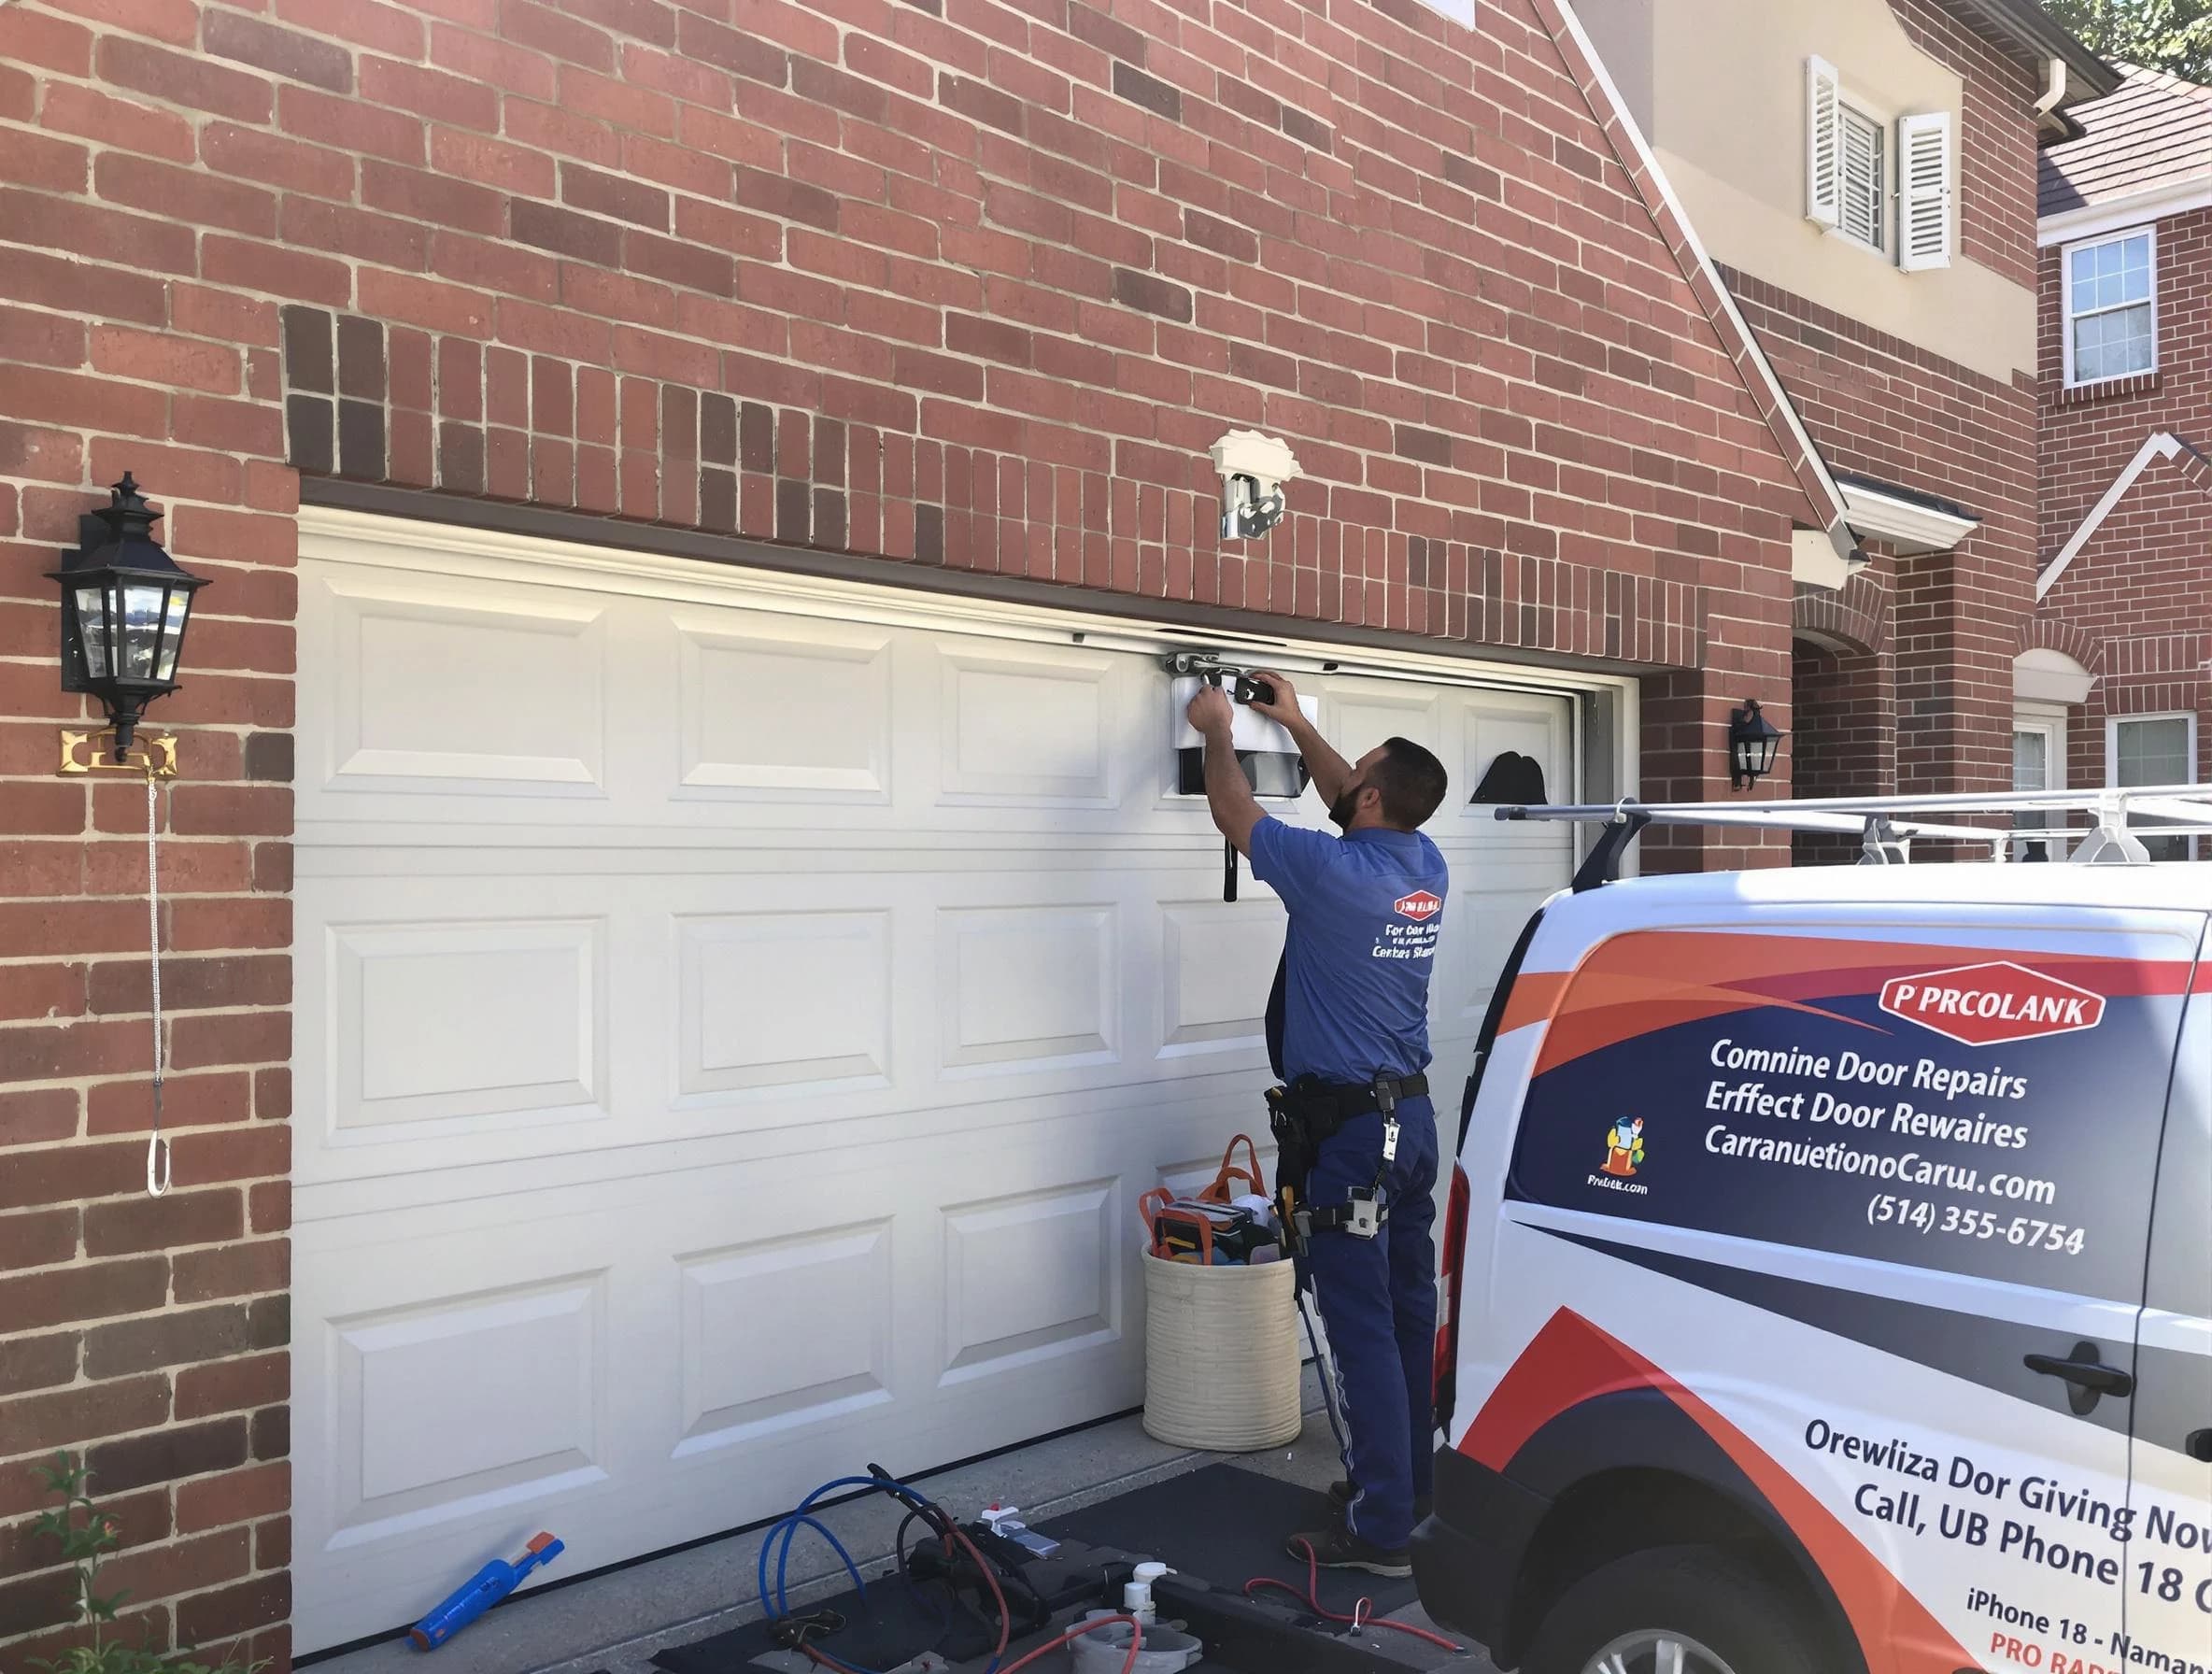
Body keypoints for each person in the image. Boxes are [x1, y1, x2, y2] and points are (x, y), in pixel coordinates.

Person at [1185, 673, 1451, 1580]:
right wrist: (1295, 718)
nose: (1347, 785)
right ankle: (1408, 1493)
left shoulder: (1330, 873)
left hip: (1350, 1140)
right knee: (1409, 1316)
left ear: (1371, 797)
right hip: (1410, 1125)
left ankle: (1378, 1533)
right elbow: (1353, 794)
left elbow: (1233, 809)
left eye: (1359, 777)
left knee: (1363, 1328)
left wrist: (1218, 728)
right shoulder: (1423, 864)